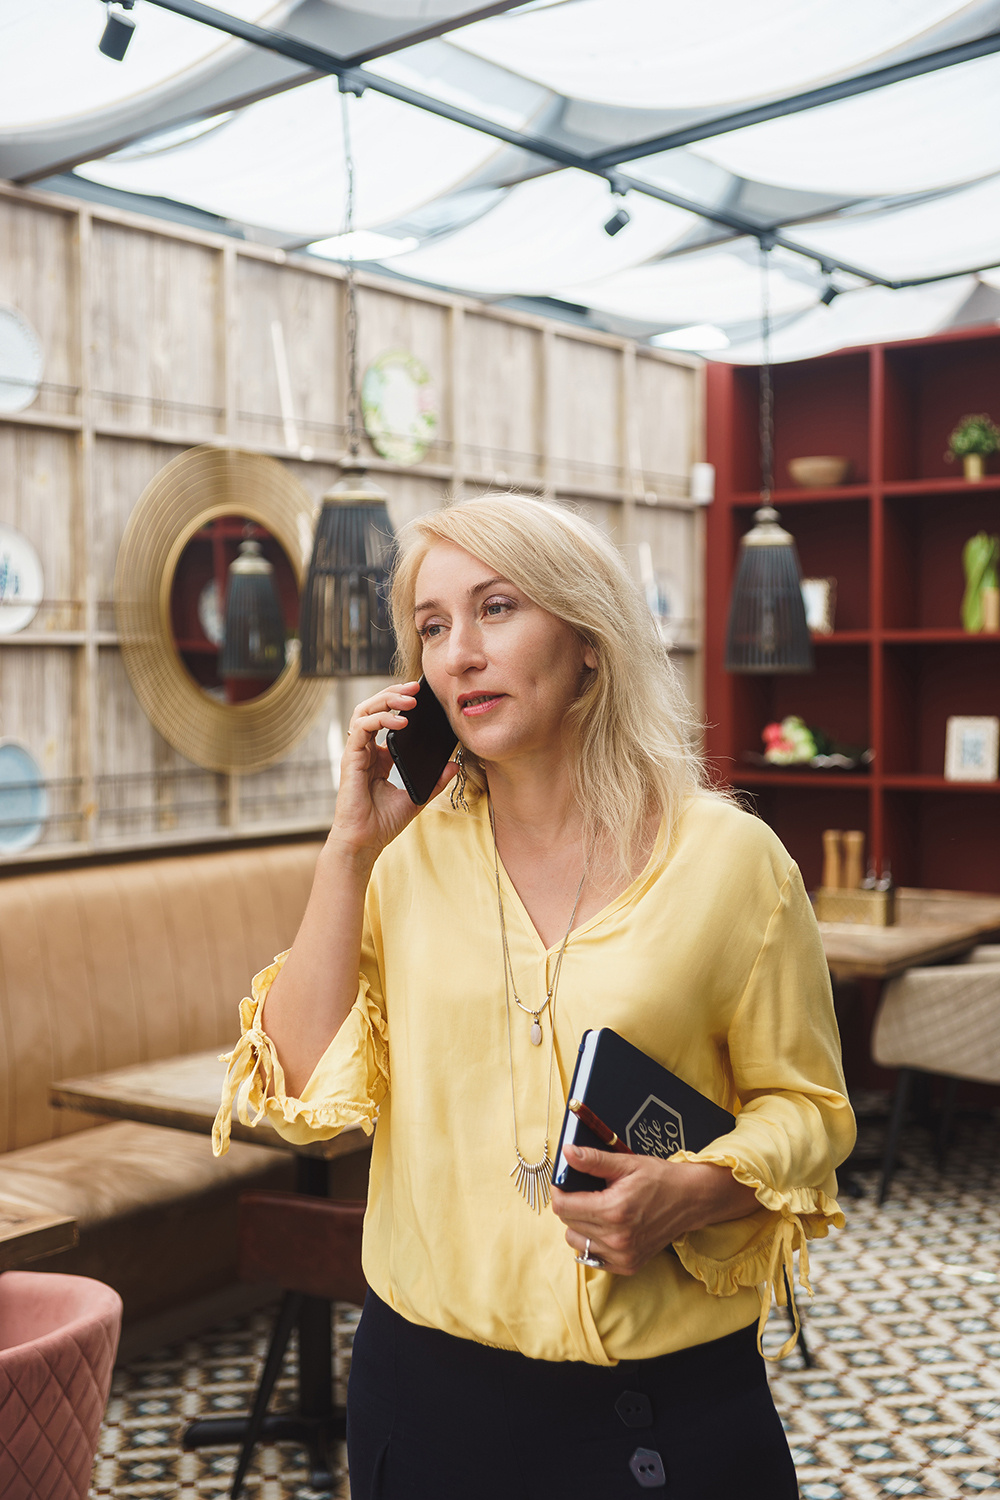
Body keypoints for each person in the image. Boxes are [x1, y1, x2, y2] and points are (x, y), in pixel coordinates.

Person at [214, 494, 855, 1499]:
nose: (460, 654)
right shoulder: (400, 860)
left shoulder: (733, 862)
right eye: (432, 627)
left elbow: (811, 1112)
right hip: (424, 1401)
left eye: (497, 608)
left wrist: (693, 1191)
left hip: (665, 1408)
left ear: (588, 639)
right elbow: (296, 1097)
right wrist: (347, 852)